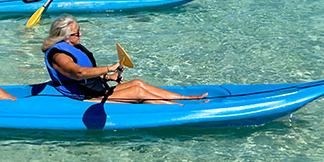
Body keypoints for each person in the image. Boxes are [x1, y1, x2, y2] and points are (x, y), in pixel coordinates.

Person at [41, 15, 208, 104]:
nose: (81, 34)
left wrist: (109, 77)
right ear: (65, 37)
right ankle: (179, 110)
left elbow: (86, 76)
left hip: (93, 90)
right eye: (77, 33)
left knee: (137, 83)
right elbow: (78, 73)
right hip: (83, 98)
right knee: (137, 93)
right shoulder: (59, 55)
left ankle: (185, 99)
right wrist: (108, 68)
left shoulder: (73, 48)